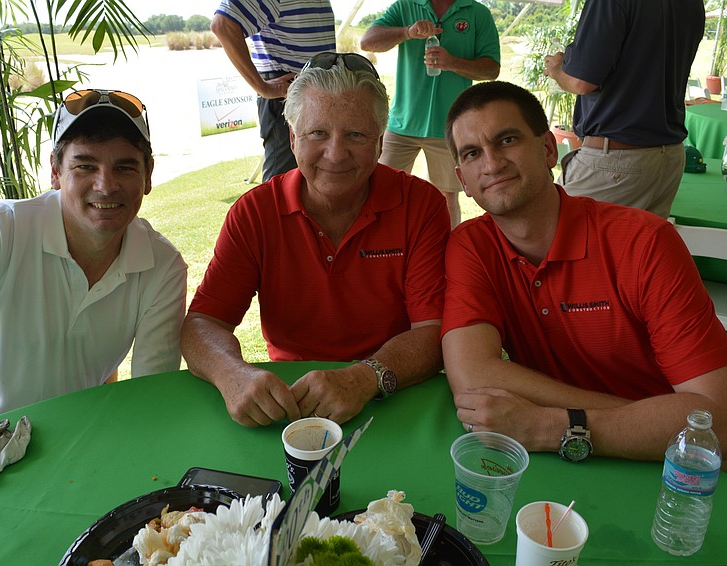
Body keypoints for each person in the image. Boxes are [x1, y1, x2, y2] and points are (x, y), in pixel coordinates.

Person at [440, 80, 727, 463]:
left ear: (548, 149)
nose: (491, 164)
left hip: (664, 466)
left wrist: (554, 425)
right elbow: (473, 377)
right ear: (463, 181)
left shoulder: (644, 243)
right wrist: (638, 419)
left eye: (507, 140)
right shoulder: (471, 245)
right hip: (634, 444)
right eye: (473, 153)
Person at [181, 54, 449, 428]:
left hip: (393, 391)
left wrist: (365, 377)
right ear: (293, 139)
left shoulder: (421, 205)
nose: (336, 154)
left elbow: (434, 330)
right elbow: (203, 322)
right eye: (318, 133)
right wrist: (232, 374)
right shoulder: (255, 212)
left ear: (380, 142)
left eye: (356, 135)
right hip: (291, 401)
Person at [0, 89, 188, 423]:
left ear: (148, 174)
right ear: (55, 171)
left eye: (124, 167)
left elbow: (151, 394)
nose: (106, 185)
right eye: (85, 166)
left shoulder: (164, 266)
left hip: (71, 435)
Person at [543, 0, 704, 219]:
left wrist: (557, 69)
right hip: (669, 156)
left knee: (553, 231)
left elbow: (581, 82)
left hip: (618, 160)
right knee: (635, 242)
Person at [360, 0, 500, 228]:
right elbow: (367, 42)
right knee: (380, 189)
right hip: (402, 123)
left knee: (446, 196)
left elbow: (492, 69)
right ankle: (379, 243)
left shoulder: (477, 12)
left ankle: (449, 247)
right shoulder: (406, 6)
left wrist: (452, 62)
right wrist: (407, 32)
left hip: (449, 126)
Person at [211, 0, 335, 182]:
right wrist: (263, 87)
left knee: (309, 181)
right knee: (281, 183)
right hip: (288, 94)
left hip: (314, 93)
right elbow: (223, 24)